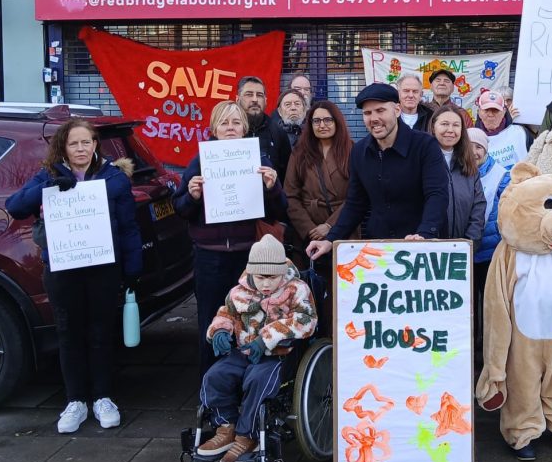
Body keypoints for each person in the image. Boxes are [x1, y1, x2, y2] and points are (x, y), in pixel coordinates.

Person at [5, 118, 143, 434]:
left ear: (95, 145)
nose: (81, 148)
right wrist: (48, 188)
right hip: (63, 270)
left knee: (100, 333)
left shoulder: (114, 178)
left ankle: (103, 397)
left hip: (103, 268)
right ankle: (76, 400)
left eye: (86, 142)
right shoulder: (49, 176)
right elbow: (15, 206)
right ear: (63, 147)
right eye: (74, 143)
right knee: (69, 334)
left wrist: (133, 269)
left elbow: (128, 227)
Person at [173, 100, 287, 373]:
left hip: (247, 257)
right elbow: (180, 208)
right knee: (212, 322)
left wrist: (272, 188)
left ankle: (246, 383)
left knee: (249, 320)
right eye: (224, 123)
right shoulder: (200, 161)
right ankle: (211, 387)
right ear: (214, 128)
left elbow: (280, 210)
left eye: (236, 122)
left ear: (244, 127)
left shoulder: (258, 159)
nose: (230, 127)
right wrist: (192, 196)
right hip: (209, 256)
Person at [196, 235, 317, 462]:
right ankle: (226, 427)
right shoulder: (238, 291)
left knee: (257, 380)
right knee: (214, 376)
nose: (266, 284)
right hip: (243, 351)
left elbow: (307, 320)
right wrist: (220, 331)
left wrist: (266, 339)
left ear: (282, 272)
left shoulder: (297, 289)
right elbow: (226, 313)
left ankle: (247, 436)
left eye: (272, 278)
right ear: (251, 272)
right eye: (261, 278)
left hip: (278, 354)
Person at [307, 84, 448, 260]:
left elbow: (437, 194)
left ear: (397, 110)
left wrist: (424, 234)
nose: (374, 118)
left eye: (380, 110)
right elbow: (355, 203)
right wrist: (331, 240)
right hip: (379, 249)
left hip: (421, 246)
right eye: (367, 113)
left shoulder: (425, 145)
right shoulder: (359, 151)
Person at [284, 100, 355, 331]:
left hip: (344, 231)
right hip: (308, 234)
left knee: (343, 292)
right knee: (312, 291)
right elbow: (290, 195)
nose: (322, 125)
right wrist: (309, 228)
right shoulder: (300, 153)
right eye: (316, 121)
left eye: (327, 120)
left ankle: (340, 338)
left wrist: (330, 227)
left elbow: (357, 195)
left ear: (337, 122)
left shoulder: (352, 150)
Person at [467, 127, 510, 352]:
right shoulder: (456, 170)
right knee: (467, 304)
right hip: (464, 249)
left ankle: (488, 351)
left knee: (490, 304)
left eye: (479, 147)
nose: (474, 151)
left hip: (490, 251)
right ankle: (470, 349)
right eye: (469, 146)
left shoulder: (502, 175)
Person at [429, 106, 486, 245]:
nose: (450, 130)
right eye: (444, 124)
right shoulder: (421, 161)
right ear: (433, 127)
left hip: (462, 249)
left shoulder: (468, 163)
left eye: (456, 125)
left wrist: (469, 242)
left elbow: (478, 208)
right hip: (428, 248)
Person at [237, 76, 292, 181]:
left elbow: (287, 176)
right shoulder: (228, 131)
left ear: (265, 101)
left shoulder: (278, 132)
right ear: (237, 99)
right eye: (249, 94)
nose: (255, 99)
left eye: (259, 95)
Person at [473, 88, 533, 170]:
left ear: (504, 111)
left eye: (495, 110)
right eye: (486, 110)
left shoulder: (521, 133)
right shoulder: (471, 138)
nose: (490, 114)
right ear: (479, 112)